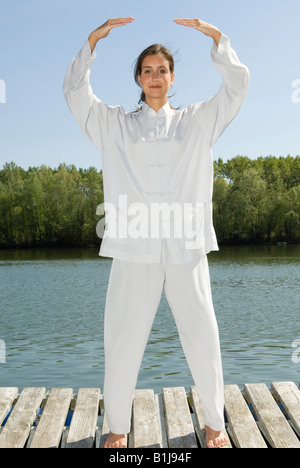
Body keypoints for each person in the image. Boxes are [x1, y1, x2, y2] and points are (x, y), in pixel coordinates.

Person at [64, 17, 250, 449]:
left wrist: (218, 39)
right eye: (147, 70)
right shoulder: (115, 125)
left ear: (172, 77)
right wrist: (91, 42)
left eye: (162, 70)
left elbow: (237, 86)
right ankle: (117, 429)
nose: (154, 77)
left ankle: (214, 424)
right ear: (138, 78)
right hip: (134, 245)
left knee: (203, 333)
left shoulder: (198, 121)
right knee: (123, 335)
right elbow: (76, 94)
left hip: (186, 244)